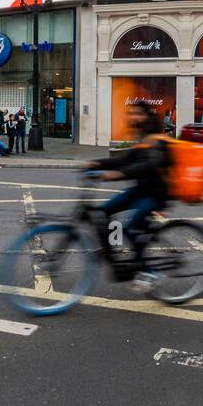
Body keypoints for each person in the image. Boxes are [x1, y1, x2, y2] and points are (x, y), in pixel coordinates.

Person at [85, 102, 171, 292]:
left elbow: (148, 166)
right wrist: (95, 163)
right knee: (103, 211)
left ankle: (149, 271)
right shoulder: (141, 138)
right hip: (140, 190)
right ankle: (110, 250)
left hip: (156, 194)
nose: (133, 117)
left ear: (148, 116)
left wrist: (119, 174)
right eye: (131, 113)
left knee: (131, 226)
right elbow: (122, 160)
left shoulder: (157, 138)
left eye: (138, 114)